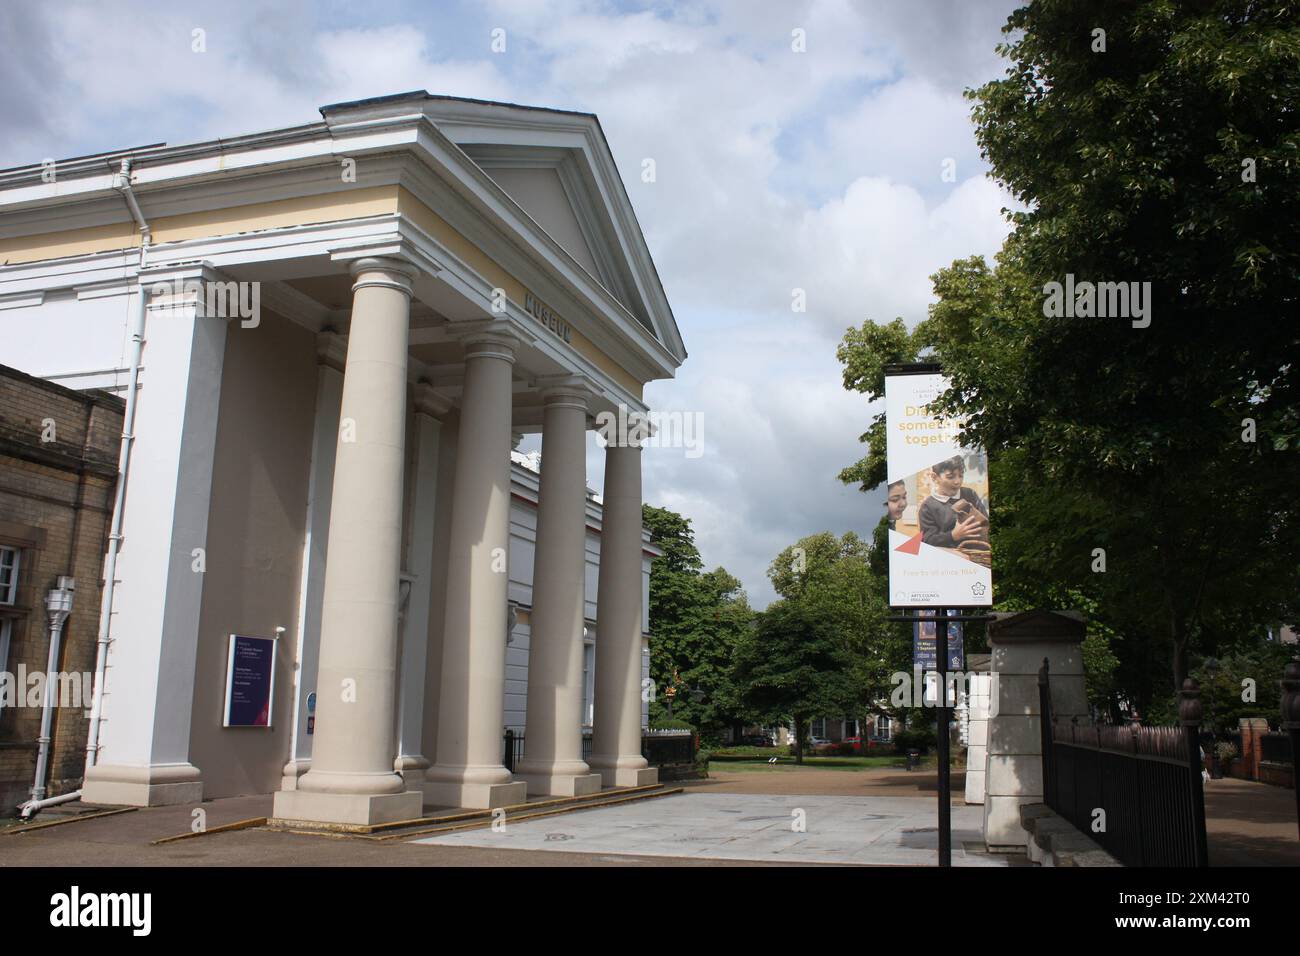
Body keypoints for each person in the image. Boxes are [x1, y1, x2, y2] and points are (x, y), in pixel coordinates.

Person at [918, 456, 988, 548]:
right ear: (934, 477)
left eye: (961, 475)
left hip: (978, 555)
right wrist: (953, 535)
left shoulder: (970, 494)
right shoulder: (928, 506)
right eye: (950, 477)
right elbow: (927, 540)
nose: (957, 481)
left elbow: (986, 523)